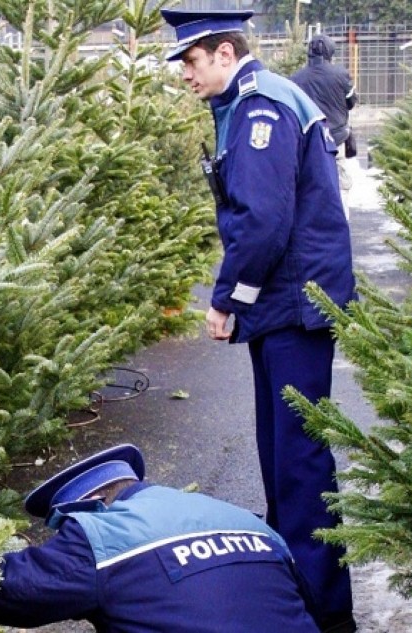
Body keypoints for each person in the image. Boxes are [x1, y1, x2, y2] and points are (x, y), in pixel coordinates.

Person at [160, 9, 358, 633]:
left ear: (223, 52)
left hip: (295, 306)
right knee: (281, 456)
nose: (184, 75)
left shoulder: (260, 108)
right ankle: (297, 596)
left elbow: (264, 222)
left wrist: (226, 300)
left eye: (189, 61)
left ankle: (325, 614)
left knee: (299, 463)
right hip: (284, 305)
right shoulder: (248, 102)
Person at [0, 444, 320, 631]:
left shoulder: (102, 534)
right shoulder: (250, 521)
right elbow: (307, 604)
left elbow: (5, 590)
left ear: (89, 507)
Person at [291, 34, 359, 217]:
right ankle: (341, 222)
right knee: (341, 184)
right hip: (337, 138)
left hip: (308, 142)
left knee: (310, 184)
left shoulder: (296, 79)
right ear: (330, 52)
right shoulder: (341, 75)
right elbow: (351, 102)